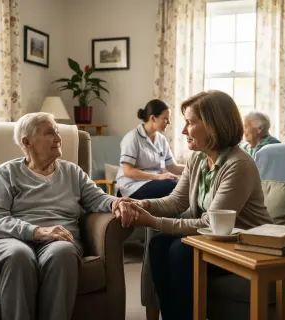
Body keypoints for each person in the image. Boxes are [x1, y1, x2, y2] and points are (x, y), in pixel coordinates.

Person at [116, 91, 273, 320]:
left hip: (244, 245)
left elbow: (211, 223)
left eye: (189, 123)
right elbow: (177, 200)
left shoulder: (238, 164)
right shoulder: (198, 158)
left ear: (213, 125)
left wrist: (151, 221)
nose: (182, 131)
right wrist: (140, 203)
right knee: (159, 246)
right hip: (216, 243)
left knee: (182, 251)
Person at [0, 112, 133, 320]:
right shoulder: (7, 172)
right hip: (10, 239)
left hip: (59, 239)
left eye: (58, 132)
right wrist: (36, 231)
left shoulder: (73, 172)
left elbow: (98, 199)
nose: (58, 138)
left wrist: (117, 202)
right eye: (50, 133)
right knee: (18, 256)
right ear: (27, 142)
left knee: (63, 253)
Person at [115, 99, 185, 320]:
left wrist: (195, 167)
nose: (168, 122)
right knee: (170, 186)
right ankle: (173, 230)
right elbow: (127, 171)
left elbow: (173, 167)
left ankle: (172, 230)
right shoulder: (131, 138)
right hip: (131, 189)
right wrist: (159, 176)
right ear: (153, 118)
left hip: (155, 185)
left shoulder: (161, 139)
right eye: (165, 118)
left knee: (176, 184)